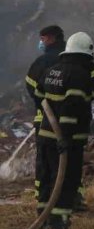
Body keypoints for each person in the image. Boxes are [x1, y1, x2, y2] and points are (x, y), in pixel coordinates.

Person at [35, 32, 94, 229]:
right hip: (68, 140)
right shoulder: (79, 75)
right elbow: (71, 109)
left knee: (47, 178)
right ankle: (58, 222)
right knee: (66, 180)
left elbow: (39, 93)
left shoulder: (52, 70)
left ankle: (42, 218)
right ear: (86, 55)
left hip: (45, 135)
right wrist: (64, 137)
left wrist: (50, 111)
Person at [26, 25, 65, 209]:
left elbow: (31, 85)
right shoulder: (73, 59)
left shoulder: (43, 61)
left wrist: (42, 104)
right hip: (71, 120)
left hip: (45, 121)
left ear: (51, 38)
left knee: (45, 159)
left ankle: (44, 198)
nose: (41, 43)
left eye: (42, 39)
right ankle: (72, 197)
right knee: (69, 159)